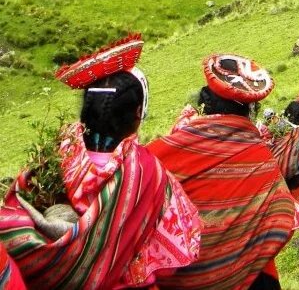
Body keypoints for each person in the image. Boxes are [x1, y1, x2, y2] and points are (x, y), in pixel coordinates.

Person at [0, 35, 201, 289]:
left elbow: (14, 209)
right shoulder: (147, 171)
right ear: (138, 113)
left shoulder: (56, 153)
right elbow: (173, 257)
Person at [148, 55, 297, 290]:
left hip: (182, 280)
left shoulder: (168, 149)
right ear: (251, 109)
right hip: (251, 276)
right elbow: (282, 215)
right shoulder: (260, 155)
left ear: (204, 103)